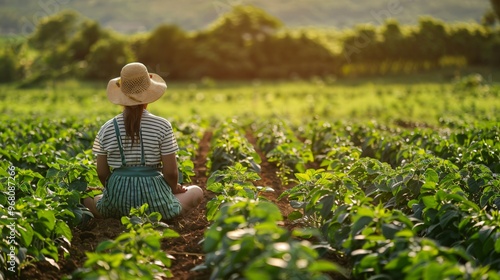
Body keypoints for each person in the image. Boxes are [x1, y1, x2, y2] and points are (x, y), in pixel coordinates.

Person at [83, 62, 203, 221]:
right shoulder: (162, 126)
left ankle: (116, 213)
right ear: (149, 94)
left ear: (122, 97)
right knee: (196, 192)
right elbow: (171, 173)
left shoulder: (106, 128)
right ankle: (162, 213)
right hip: (155, 202)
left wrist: (114, 191)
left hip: (118, 201)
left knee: (87, 198)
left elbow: (102, 172)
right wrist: (174, 189)